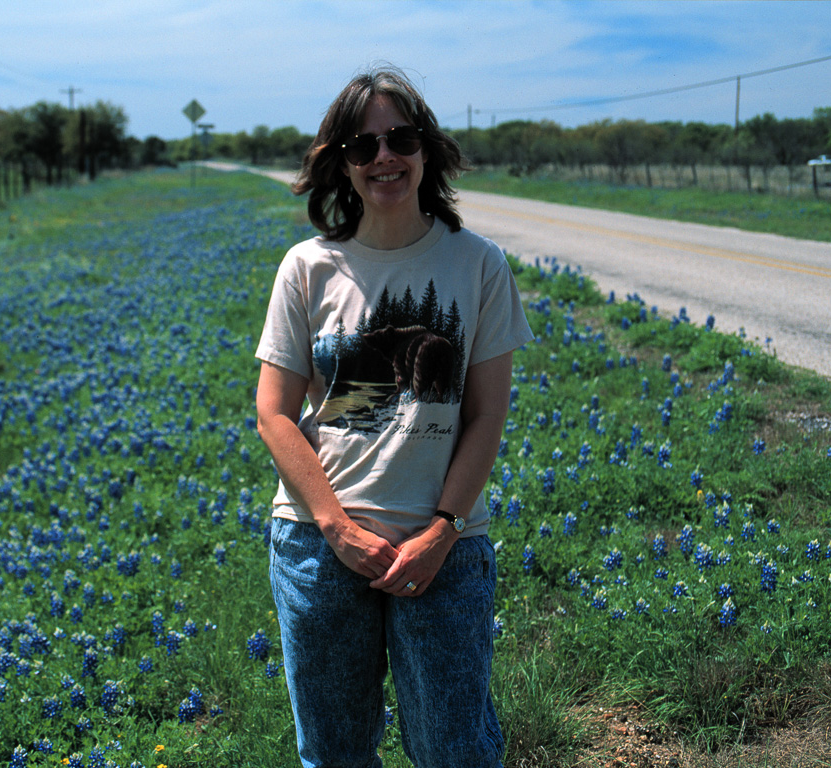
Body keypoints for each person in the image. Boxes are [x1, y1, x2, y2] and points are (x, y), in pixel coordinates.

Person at [254, 65, 535, 768]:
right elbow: (274, 416)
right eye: (362, 145)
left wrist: (444, 530)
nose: (384, 157)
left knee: (454, 750)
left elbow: (486, 415)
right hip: (320, 546)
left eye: (400, 138)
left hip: (442, 547)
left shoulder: (479, 264)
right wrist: (337, 528)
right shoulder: (307, 267)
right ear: (340, 164)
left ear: (426, 149)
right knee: (335, 752)